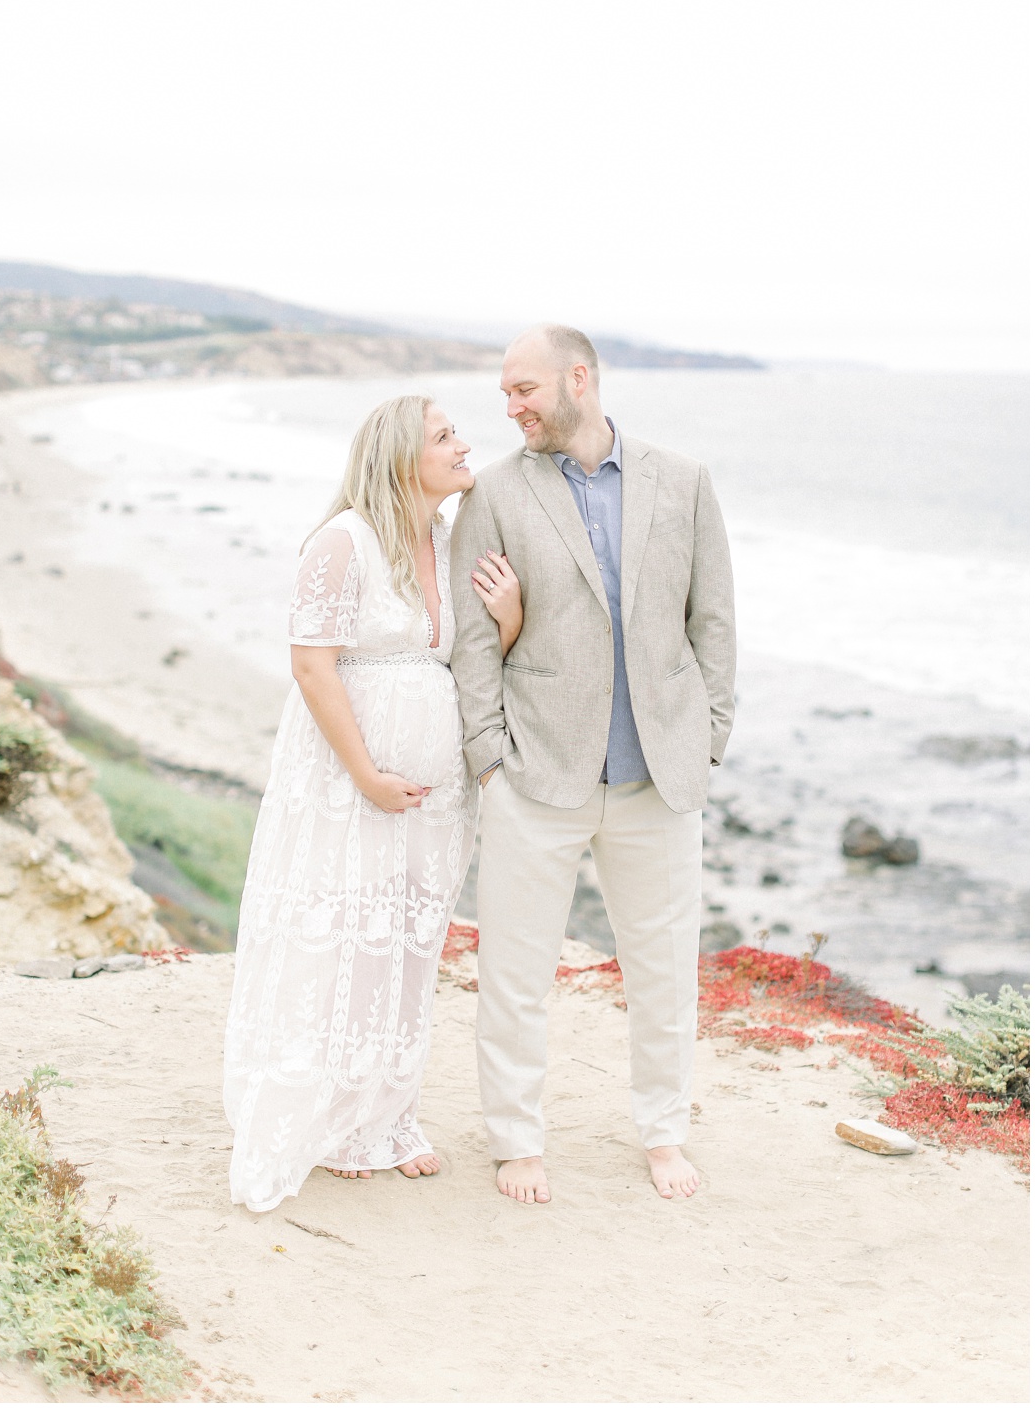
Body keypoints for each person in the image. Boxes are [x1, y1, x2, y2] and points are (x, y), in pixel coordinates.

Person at [450, 325, 736, 1206]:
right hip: (537, 772)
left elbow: (713, 623)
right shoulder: (494, 492)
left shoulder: (683, 481)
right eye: (505, 393)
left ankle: (663, 1130)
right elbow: (472, 642)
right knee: (516, 970)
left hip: (659, 775)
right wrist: (490, 760)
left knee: (663, 969)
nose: (511, 407)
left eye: (524, 388)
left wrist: (709, 735)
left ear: (581, 378)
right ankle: (516, 1136)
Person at [224, 395, 522, 1212]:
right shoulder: (341, 543)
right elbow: (314, 666)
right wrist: (364, 772)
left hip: (437, 791)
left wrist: (510, 618)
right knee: (347, 938)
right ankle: (333, 1121)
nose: (465, 445)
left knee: (409, 944)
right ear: (401, 460)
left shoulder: (452, 540)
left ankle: (390, 1115)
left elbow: (462, 657)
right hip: (346, 780)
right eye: (445, 436)